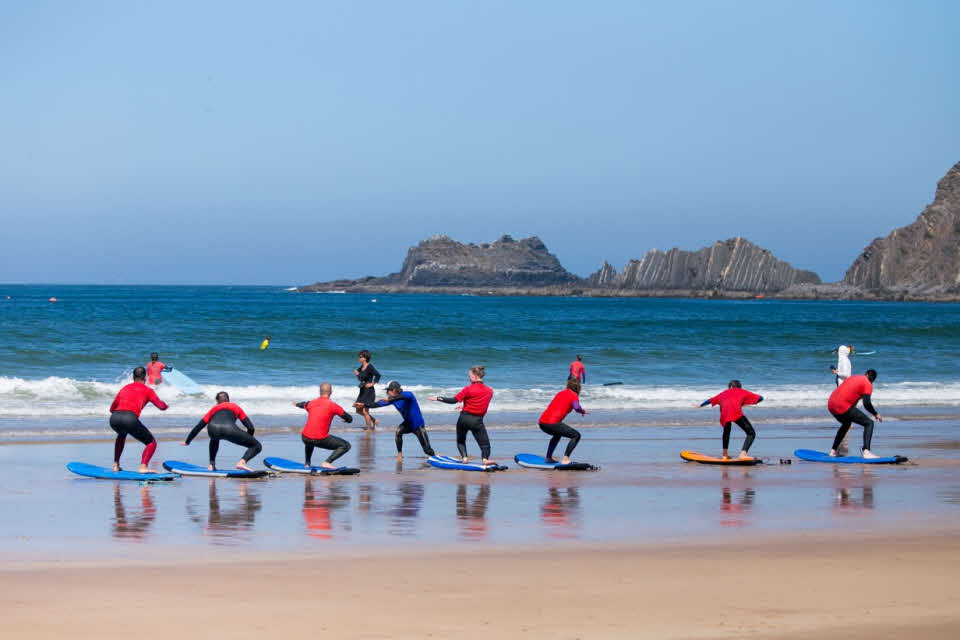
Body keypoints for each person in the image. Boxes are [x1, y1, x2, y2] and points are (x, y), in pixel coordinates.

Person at [181, 391, 262, 471]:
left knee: (214, 439)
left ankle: (211, 465)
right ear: (228, 399)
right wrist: (248, 441)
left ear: (217, 401)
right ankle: (242, 462)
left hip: (212, 430)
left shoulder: (213, 409)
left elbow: (198, 427)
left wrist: (187, 441)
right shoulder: (235, 406)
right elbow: (251, 428)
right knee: (257, 446)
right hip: (230, 429)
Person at [108, 366, 168, 473]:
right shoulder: (148, 390)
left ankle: (115, 465)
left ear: (133, 377)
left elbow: (112, 408)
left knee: (121, 434)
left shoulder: (125, 388)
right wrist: (166, 405)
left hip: (114, 418)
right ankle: (143, 466)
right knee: (151, 443)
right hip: (130, 418)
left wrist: (121, 415)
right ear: (145, 378)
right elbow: (161, 406)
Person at [431, 366, 495, 465]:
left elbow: (453, 401)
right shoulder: (489, 391)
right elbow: (480, 404)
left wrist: (438, 398)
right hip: (477, 421)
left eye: (469, 376)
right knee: (485, 445)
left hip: (464, 419)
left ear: (475, 375)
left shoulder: (468, 389)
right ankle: (485, 459)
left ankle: (465, 458)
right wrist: (466, 406)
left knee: (461, 440)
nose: (469, 378)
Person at [363, 381, 435, 460]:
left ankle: (436, 456)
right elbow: (377, 404)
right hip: (408, 424)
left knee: (427, 451)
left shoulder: (408, 395)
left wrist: (390, 399)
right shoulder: (392, 400)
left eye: (388, 391)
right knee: (398, 432)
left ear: (394, 390)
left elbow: (401, 397)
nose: (387, 393)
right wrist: (364, 404)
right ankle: (400, 454)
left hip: (418, 425)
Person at [697, 380, 763, 460]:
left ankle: (725, 455)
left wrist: (700, 405)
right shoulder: (742, 391)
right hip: (736, 413)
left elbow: (710, 400)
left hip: (725, 414)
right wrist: (746, 402)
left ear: (730, 387)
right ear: (739, 387)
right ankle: (743, 454)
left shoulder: (723, 393)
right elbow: (760, 398)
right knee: (751, 433)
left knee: (726, 432)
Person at [294, 383, 353, 469]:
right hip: (320, 439)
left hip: (305, 437)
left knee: (310, 439)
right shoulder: (333, 406)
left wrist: (296, 404)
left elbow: (302, 404)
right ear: (331, 392)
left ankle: (307, 463)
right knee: (346, 445)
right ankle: (327, 462)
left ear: (319, 392)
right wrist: (346, 420)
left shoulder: (310, 403)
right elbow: (349, 418)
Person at [828, 369, 883, 458]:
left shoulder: (854, 377)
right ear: (873, 380)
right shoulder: (868, 384)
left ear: (865, 373)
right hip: (843, 405)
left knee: (846, 423)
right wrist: (876, 414)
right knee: (869, 423)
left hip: (831, 404)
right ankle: (866, 452)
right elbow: (867, 403)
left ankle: (833, 451)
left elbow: (846, 393)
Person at [538, 377, 588, 464]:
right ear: (578, 387)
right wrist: (582, 411)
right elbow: (576, 407)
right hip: (552, 423)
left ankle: (548, 458)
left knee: (557, 435)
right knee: (576, 435)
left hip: (542, 422)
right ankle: (565, 459)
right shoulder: (574, 395)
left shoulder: (560, 393)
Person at [353, 350, 381, 430]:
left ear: (365, 358)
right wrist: (357, 375)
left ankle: (368, 430)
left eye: (360, 357)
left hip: (369, 391)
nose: (359, 358)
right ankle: (374, 420)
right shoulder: (361, 367)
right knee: (358, 410)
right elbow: (361, 379)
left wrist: (373, 383)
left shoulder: (369, 366)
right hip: (362, 390)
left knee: (365, 411)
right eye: (359, 357)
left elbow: (378, 375)